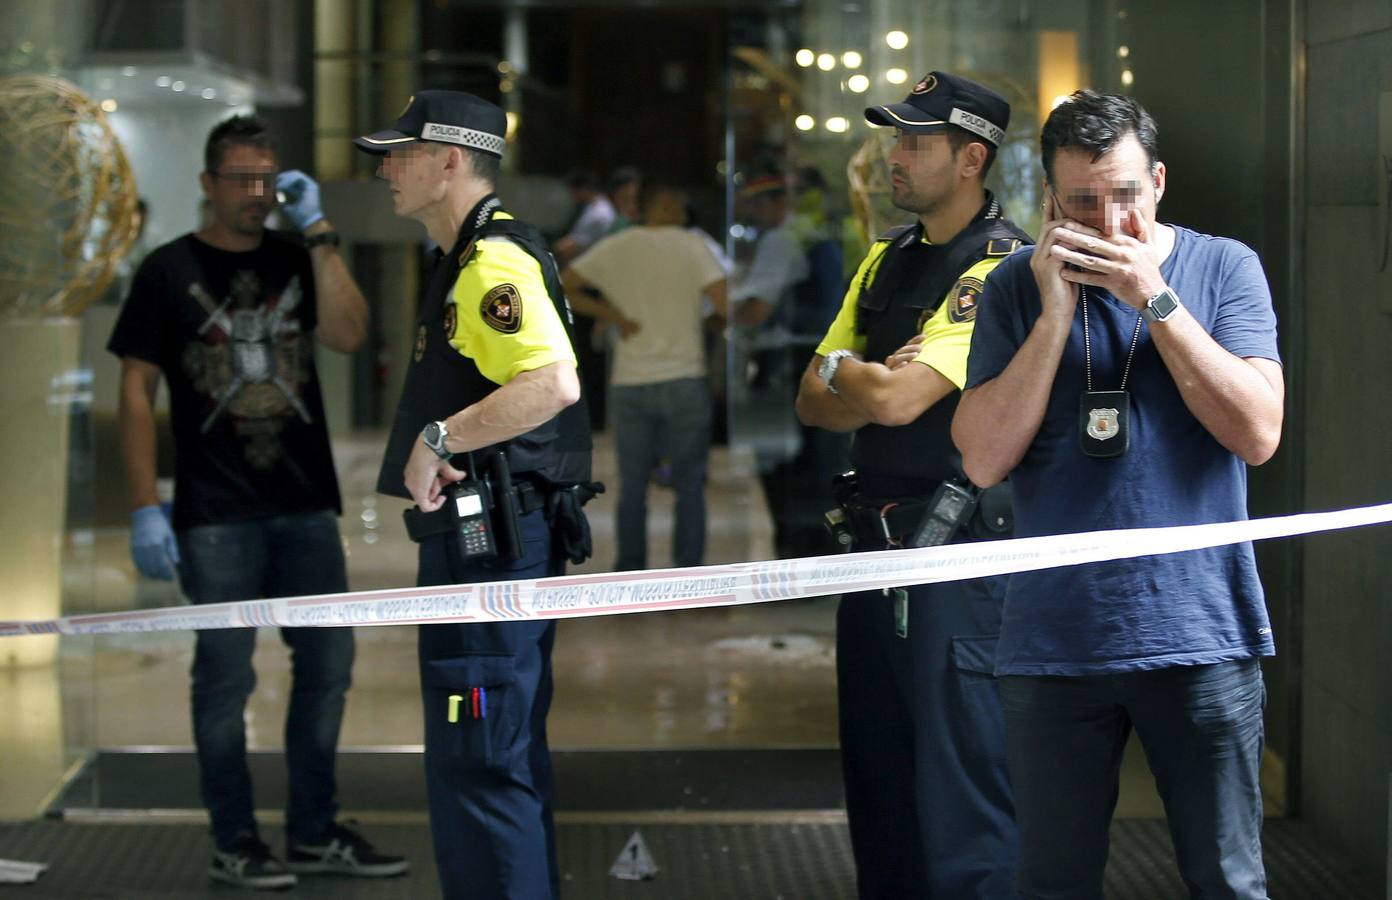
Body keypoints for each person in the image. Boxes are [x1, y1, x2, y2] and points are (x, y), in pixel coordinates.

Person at [953, 90, 1284, 899]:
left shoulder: (1223, 266)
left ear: (1160, 182)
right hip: (1054, 640)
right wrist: (1053, 318)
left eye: (1127, 197)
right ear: (1050, 202)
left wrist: (1155, 303)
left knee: (1228, 881)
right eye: (1083, 204)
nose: (1110, 223)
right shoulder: (1013, 289)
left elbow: (1258, 433)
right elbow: (985, 459)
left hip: (1201, 630)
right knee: (1053, 881)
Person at [108, 115, 405, 889]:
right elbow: (135, 389)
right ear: (208, 184)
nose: (255, 194)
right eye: (240, 179)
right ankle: (233, 839)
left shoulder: (297, 255)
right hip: (215, 512)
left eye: (266, 179)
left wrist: (321, 232)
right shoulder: (168, 271)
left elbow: (347, 334)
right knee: (224, 679)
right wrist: (145, 502)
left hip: (304, 501)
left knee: (328, 666)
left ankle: (312, 831)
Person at [355, 90, 596, 900]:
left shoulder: (492, 261)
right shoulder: (463, 259)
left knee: (484, 757)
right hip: (484, 546)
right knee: (486, 753)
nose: (385, 167)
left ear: (450, 161)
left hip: (495, 548)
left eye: (402, 153)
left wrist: (441, 437)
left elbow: (553, 381)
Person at [794, 72, 1029, 899]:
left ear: (971, 158)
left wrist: (854, 375)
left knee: (964, 798)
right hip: (870, 554)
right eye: (895, 140)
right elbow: (811, 397)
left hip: (952, 558)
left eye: (915, 143)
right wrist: (861, 374)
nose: (895, 157)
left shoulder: (1000, 267)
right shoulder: (885, 259)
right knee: (880, 791)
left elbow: (895, 399)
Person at [561, 182, 728, 570]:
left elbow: (565, 285)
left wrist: (613, 316)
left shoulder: (618, 245)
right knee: (688, 484)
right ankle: (688, 571)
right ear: (671, 205)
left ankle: (630, 571)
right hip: (685, 376)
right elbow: (724, 303)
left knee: (632, 485)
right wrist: (709, 321)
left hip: (630, 380)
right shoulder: (693, 245)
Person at [553, 168, 615, 264]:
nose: (571, 196)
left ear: (584, 189)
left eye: (573, 191)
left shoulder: (598, 214)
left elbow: (568, 248)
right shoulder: (595, 206)